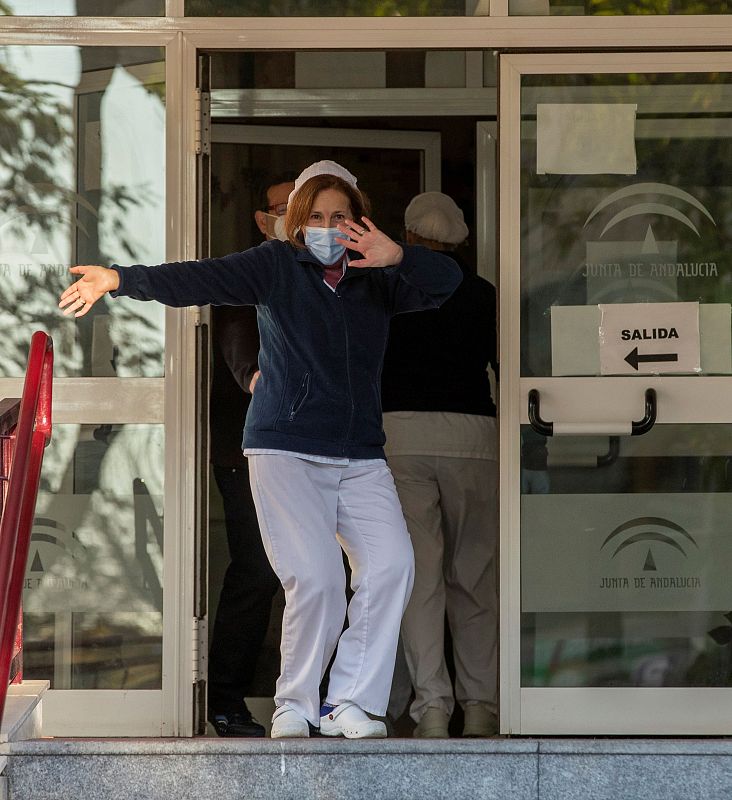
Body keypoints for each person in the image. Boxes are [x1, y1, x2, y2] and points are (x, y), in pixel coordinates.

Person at [59, 160, 462, 740]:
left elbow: (449, 284)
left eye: (340, 216)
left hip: (359, 455)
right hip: (285, 449)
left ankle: (348, 702)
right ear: (298, 221)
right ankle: (294, 705)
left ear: (359, 221)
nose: (328, 226)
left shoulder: (379, 274)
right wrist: (119, 279)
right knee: (317, 578)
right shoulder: (276, 265)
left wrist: (399, 256)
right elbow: (198, 278)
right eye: (317, 216)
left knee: (393, 565)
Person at [381, 191, 499, 738]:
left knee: (420, 579)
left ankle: (431, 708)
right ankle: (481, 707)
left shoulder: (387, 288)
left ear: (405, 238)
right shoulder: (482, 294)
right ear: (462, 242)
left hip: (400, 434)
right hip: (474, 434)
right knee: (473, 576)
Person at [207, 175, 295, 738]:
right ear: (263, 222)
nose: (296, 217)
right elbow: (237, 333)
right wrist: (253, 374)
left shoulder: (335, 274)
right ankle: (227, 700)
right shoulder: (249, 271)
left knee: (323, 575)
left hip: (317, 450)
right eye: (283, 209)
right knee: (258, 570)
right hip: (247, 445)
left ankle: (311, 701)